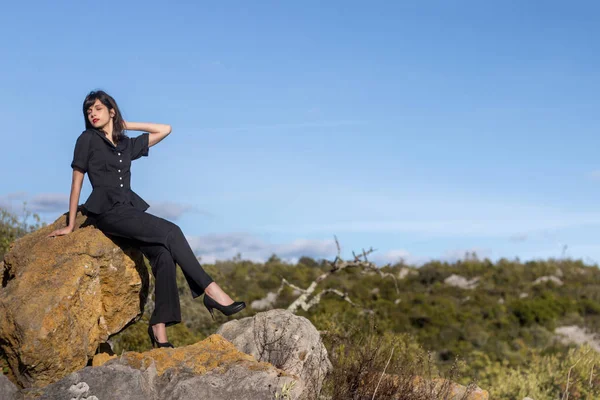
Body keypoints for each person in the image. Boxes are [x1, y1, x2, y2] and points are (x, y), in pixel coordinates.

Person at [47, 90, 245, 348]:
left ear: (111, 111)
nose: (92, 114)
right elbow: (76, 183)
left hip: (129, 209)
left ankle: (158, 328)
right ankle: (211, 291)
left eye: (97, 108)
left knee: (164, 254)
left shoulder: (125, 144)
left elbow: (165, 129)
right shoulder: (86, 139)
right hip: (108, 212)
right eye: (88, 111)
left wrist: (122, 125)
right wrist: (71, 224)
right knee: (172, 231)